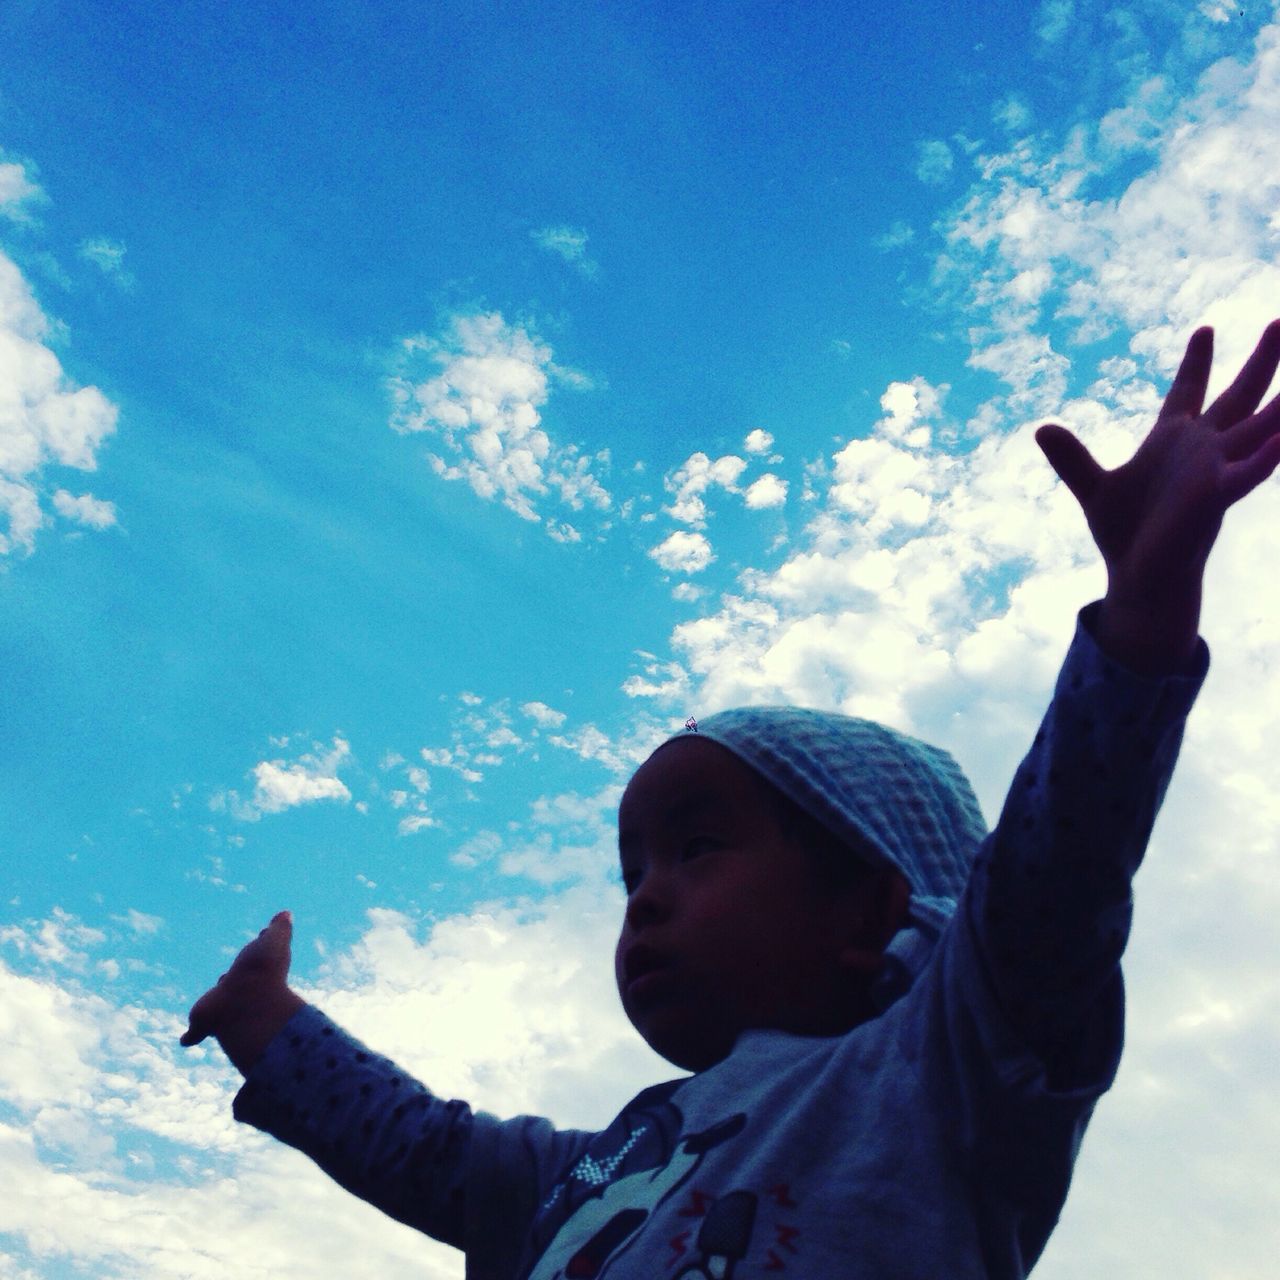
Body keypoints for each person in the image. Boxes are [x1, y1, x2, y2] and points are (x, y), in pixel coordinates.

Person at [182, 322, 1280, 1278]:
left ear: (866, 908)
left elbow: (1057, 872)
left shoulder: (943, 1062)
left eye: (696, 846)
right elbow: (426, 1147)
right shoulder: (599, 1162)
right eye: (632, 869)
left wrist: (1139, 614)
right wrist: (264, 1021)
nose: (643, 898)